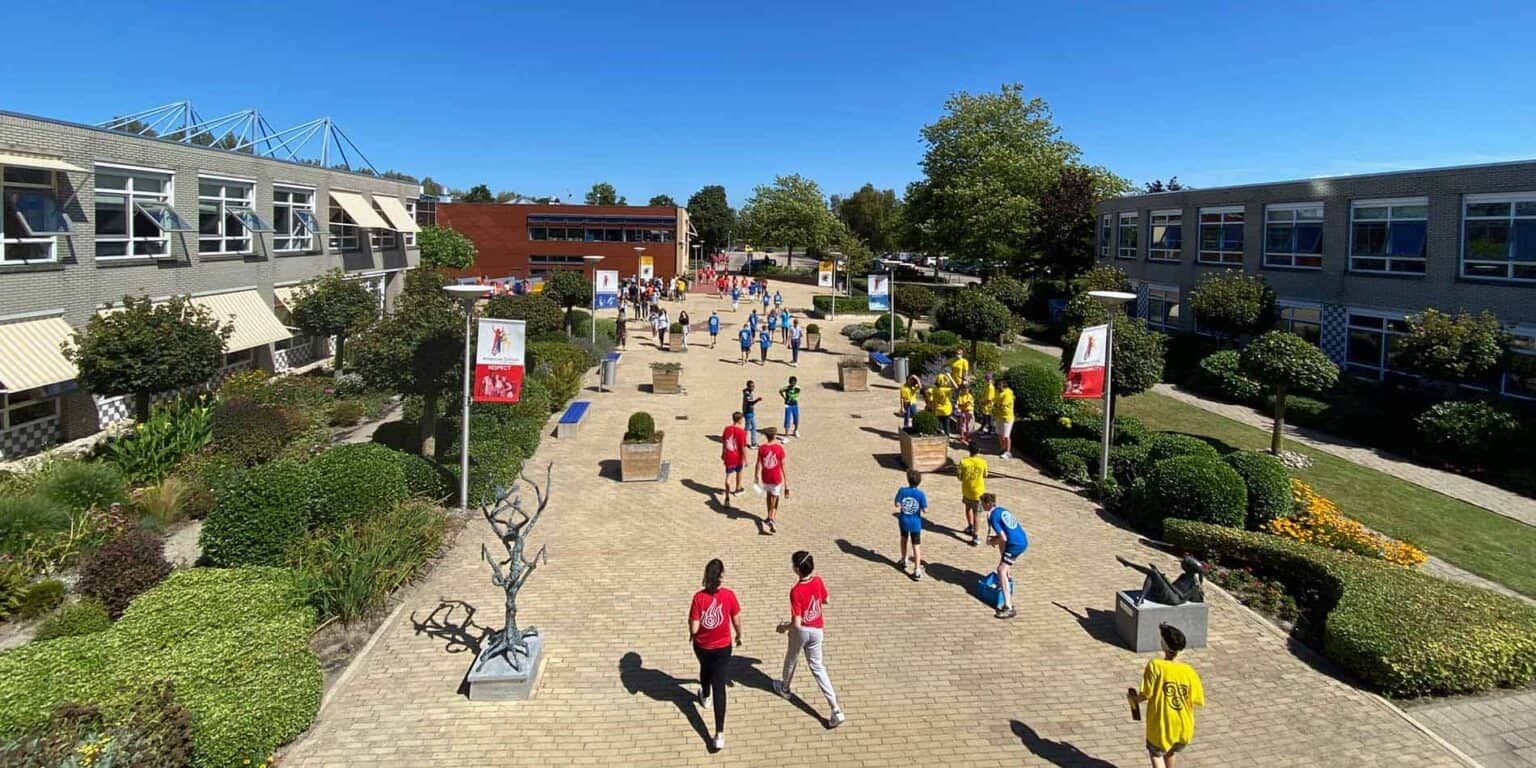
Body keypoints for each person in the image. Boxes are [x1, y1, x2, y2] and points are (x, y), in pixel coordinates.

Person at [774, 551, 846, 728]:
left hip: (802, 631)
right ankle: (835, 708)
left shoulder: (796, 591)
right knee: (818, 667)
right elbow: (826, 599)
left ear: (797, 570)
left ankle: (785, 688)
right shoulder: (818, 581)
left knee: (792, 657)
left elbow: (797, 623)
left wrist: (784, 627)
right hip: (817, 630)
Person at [1131, 623, 1205, 768]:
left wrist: (1134, 700)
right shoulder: (1189, 671)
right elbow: (1196, 699)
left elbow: (1146, 694)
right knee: (1170, 751)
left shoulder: (1155, 666)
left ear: (1163, 645)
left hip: (1161, 725)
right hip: (1183, 726)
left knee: (1156, 753)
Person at [689, 559, 743, 752]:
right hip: (723, 647)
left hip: (703, 646)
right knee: (719, 684)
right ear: (721, 576)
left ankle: (705, 695)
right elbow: (736, 620)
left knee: (704, 668)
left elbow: (695, 627)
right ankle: (719, 734)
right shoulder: (729, 595)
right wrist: (739, 635)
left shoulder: (698, 598)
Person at [983, 493, 1026, 619]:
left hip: (1014, 544)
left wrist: (992, 541)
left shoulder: (992, 516)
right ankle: (1007, 579)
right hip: (1022, 540)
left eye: (982, 504)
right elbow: (1005, 535)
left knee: (1001, 570)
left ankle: (1009, 606)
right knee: (1005, 568)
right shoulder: (1002, 510)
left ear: (987, 504)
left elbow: (1003, 538)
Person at [894, 470, 928, 580]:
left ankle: (904, 559)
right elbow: (925, 510)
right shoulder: (920, 494)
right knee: (916, 545)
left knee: (903, 539)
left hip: (904, 521)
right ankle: (917, 569)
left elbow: (897, 504)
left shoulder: (902, 491)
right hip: (916, 523)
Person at [755, 427, 789, 534]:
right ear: (774, 436)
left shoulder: (762, 448)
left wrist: (756, 475)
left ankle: (768, 516)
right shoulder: (779, 448)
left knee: (769, 496)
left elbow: (758, 463)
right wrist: (787, 481)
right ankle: (771, 518)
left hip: (765, 477)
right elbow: (783, 465)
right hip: (776, 478)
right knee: (775, 498)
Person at [956, 443, 988, 546]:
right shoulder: (982, 462)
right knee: (977, 515)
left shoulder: (963, 462)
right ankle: (975, 535)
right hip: (978, 492)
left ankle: (970, 526)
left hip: (966, 491)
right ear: (978, 451)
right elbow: (985, 475)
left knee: (967, 509)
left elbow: (959, 477)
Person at [721, 412, 749, 505]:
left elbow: (724, 442)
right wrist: (746, 459)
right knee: (739, 472)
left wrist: (723, 453)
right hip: (738, 456)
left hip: (729, 455)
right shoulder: (741, 432)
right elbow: (743, 447)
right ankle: (738, 488)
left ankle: (727, 497)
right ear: (740, 420)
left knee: (728, 475)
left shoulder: (727, 429)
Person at [993, 378, 1016, 459]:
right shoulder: (997, 392)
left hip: (1007, 418)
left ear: (1004, 385)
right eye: (997, 385)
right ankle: (1003, 449)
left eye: (1000, 385)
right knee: (999, 434)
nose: (998, 387)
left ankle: (1008, 452)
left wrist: (996, 405)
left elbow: (1001, 405)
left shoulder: (1008, 393)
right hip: (999, 416)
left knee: (1006, 436)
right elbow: (995, 401)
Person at [742, 381, 762, 447]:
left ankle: (753, 443)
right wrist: (757, 400)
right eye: (751, 386)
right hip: (748, 413)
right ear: (748, 386)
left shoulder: (748, 392)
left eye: (753, 386)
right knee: (747, 428)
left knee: (753, 427)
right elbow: (750, 403)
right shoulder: (747, 394)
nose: (753, 388)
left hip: (750, 412)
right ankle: (743, 442)